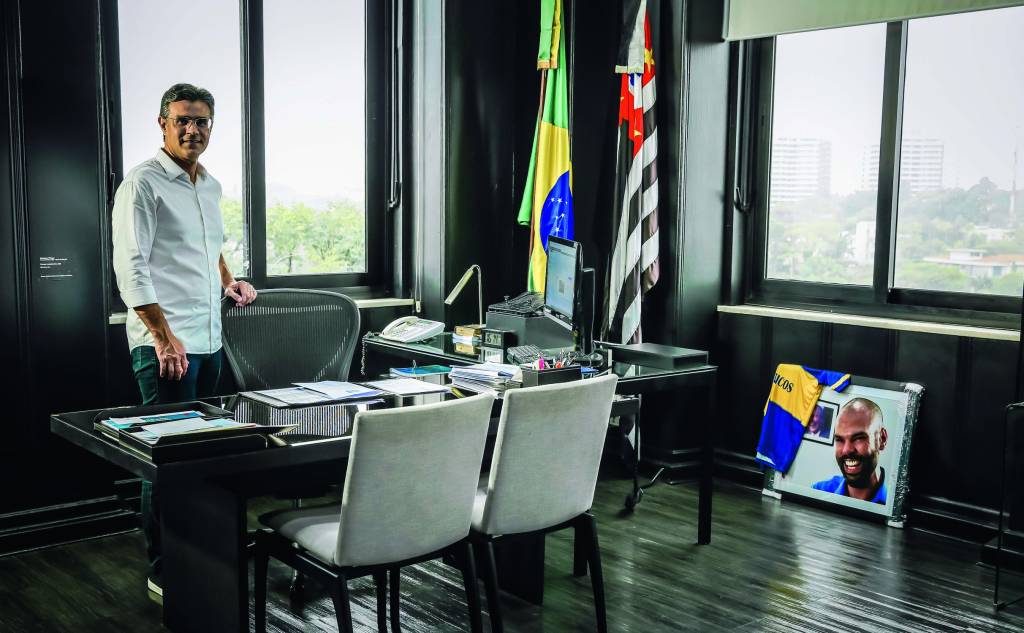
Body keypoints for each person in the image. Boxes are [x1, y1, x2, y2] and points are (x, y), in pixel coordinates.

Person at [111, 83, 257, 600]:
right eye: (182, 120)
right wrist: (163, 337)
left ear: (211, 126)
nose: (192, 129)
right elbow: (130, 270)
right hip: (164, 349)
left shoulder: (210, 185)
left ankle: (201, 554)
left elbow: (208, 248)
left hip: (210, 342)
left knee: (205, 455)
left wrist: (228, 282)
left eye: (201, 121)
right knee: (166, 459)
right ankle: (164, 570)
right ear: (162, 123)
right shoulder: (142, 185)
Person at [812, 398, 888, 505]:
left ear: (882, 439)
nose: (846, 450)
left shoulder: (895, 505)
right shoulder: (818, 492)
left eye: (858, 438)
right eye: (839, 440)